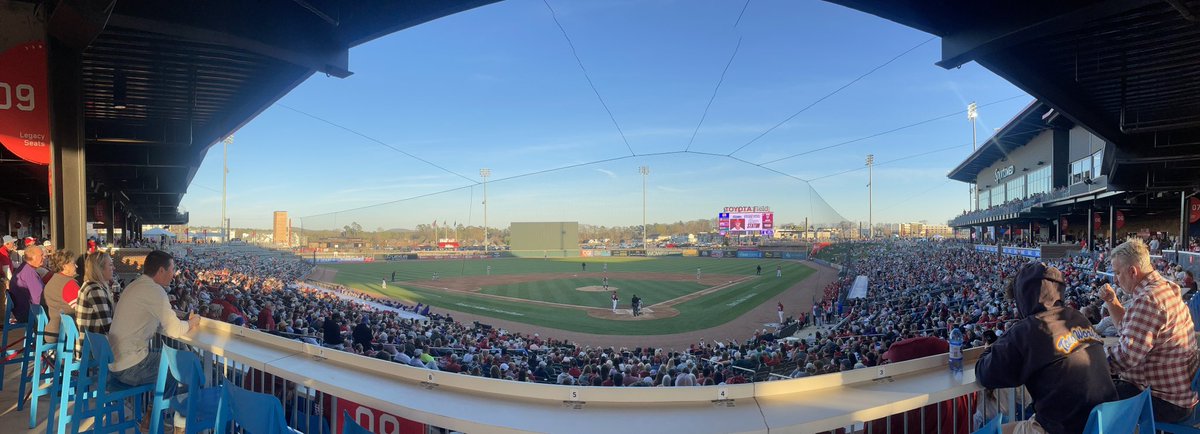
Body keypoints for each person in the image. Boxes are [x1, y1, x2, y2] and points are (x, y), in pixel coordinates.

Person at [976, 262, 1116, 434]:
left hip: (1065, 428)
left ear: (1023, 296)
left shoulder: (1029, 330)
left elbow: (985, 373)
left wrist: (989, 348)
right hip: (1106, 423)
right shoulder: (1079, 317)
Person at [1099, 238, 1198, 423]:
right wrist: (1112, 302)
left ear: (1132, 271)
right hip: (1180, 394)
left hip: (1166, 401)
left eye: (1118, 273)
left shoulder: (1148, 300)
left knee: (1085, 394)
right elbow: (1130, 329)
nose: (1116, 279)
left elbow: (1125, 358)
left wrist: (1090, 362)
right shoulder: (1166, 287)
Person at [107, 250, 201, 431]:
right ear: (161, 271)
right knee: (181, 366)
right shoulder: (155, 291)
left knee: (169, 359)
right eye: (172, 269)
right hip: (129, 366)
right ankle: (171, 423)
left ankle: (152, 415)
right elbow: (174, 330)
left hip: (115, 363)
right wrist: (192, 322)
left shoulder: (135, 285)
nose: (174, 274)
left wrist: (178, 318)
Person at [42, 249, 81, 343]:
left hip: (52, 329)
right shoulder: (69, 284)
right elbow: (81, 310)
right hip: (65, 333)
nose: (76, 266)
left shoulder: (52, 281)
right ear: (65, 266)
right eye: (73, 263)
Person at [76, 251, 117, 334]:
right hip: (93, 344)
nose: (114, 268)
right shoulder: (95, 290)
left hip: (90, 342)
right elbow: (108, 327)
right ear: (100, 269)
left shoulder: (89, 284)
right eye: (110, 265)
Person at [7, 245, 45, 322]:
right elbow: (38, 298)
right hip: (28, 313)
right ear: (32, 257)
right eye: (41, 255)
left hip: (21, 311)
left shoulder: (24, 268)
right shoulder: (29, 273)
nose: (44, 257)